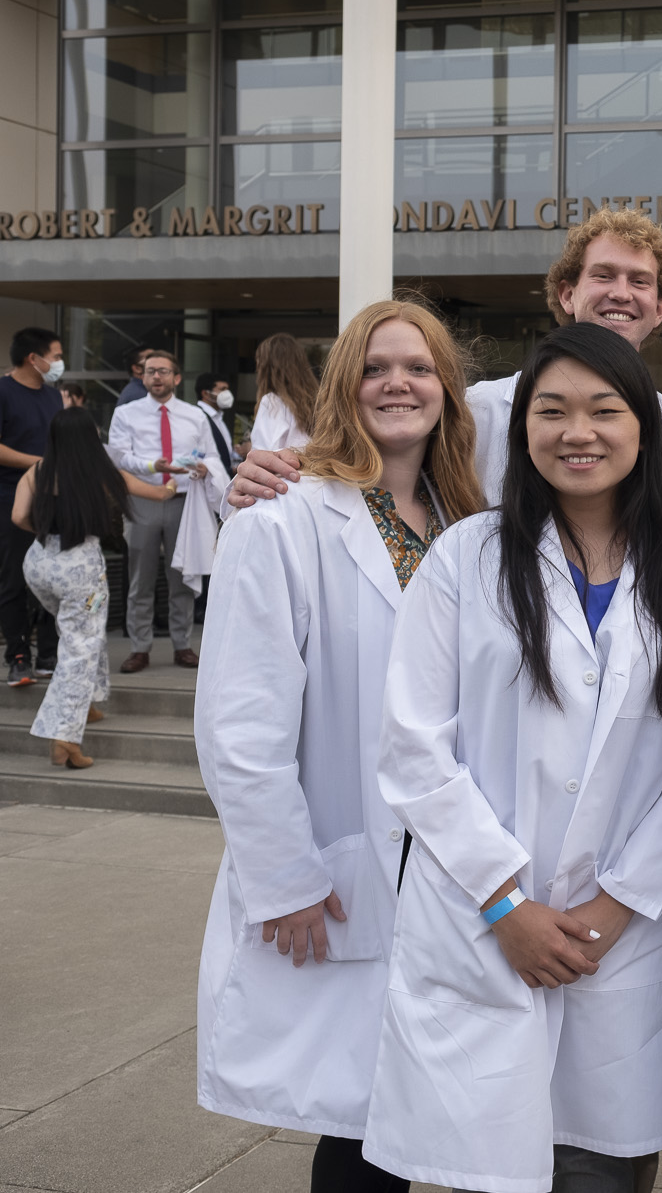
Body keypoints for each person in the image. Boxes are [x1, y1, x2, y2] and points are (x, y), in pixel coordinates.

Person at [362, 324, 662, 1193]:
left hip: (619, 931)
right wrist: (506, 904)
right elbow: (414, 744)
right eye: (553, 410)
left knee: (600, 1166)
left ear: (644, 426)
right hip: (479, 919)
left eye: (605, 410)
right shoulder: (468, 556)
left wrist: (616, 904)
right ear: (521, 427)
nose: (580, 433)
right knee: (486, 1163)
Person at [193, 298, 484, 1193]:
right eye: (375, 366)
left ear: (447, 390)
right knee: (361, 1126)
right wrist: (284, 875)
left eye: (420, 366)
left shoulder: (472, 523)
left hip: (457, 868)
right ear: (341, 385)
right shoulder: (281, 519)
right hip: (348, 865)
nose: (398, 382)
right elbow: (241, 726)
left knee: (461, 1109)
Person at [228, 209, 662, 514]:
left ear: (660, 307)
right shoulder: (475, 412)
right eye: (603, 275)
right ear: (567, 293)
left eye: (640, 281)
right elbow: (364, 457)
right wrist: (281, 470)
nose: (621, 293)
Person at [9, 408, 177, 769]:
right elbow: (158, 495)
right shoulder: (100, 473)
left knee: (81, 633)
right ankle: (65, 738)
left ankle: (89, 703)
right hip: (80, 568)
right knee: (79, 648)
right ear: (91, 437)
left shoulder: (36, 471)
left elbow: (18, 517)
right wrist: (173, 485)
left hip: (39, 563)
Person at [105, 350, 212, 672]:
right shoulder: (126, 413)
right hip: (143, 500)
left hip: (184, 501)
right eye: (151, 371)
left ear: (176, 378)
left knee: (181, 574)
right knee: (141, 577)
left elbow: (208, 455)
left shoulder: (194, 415)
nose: (156, 377)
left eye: (163, 371)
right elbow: (118, 458)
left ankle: (182, 644)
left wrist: (206, 469)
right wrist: (154, 465)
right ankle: (140, 647)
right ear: (143, 376)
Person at [0, 326, 66, 686]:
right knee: (13, 579)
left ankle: (48, 655)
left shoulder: (54, 397)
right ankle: (18, 655)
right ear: (34, 358)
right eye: (56, 356)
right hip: (10, 499)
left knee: (52, 579)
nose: (59, 363)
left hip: (51, 500)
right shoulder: (3, 391)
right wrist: (38, 463)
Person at [251, 333, 320, 453]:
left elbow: (266, 453)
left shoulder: (272, 402)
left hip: (285, 470)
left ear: (266, 367)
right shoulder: (318, 401)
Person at [194, 372, 240, 474]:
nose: (227, 393)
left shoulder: (218, 418)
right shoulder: (197, 417)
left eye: (227, 389)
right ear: (205, 393)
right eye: (222, 389)